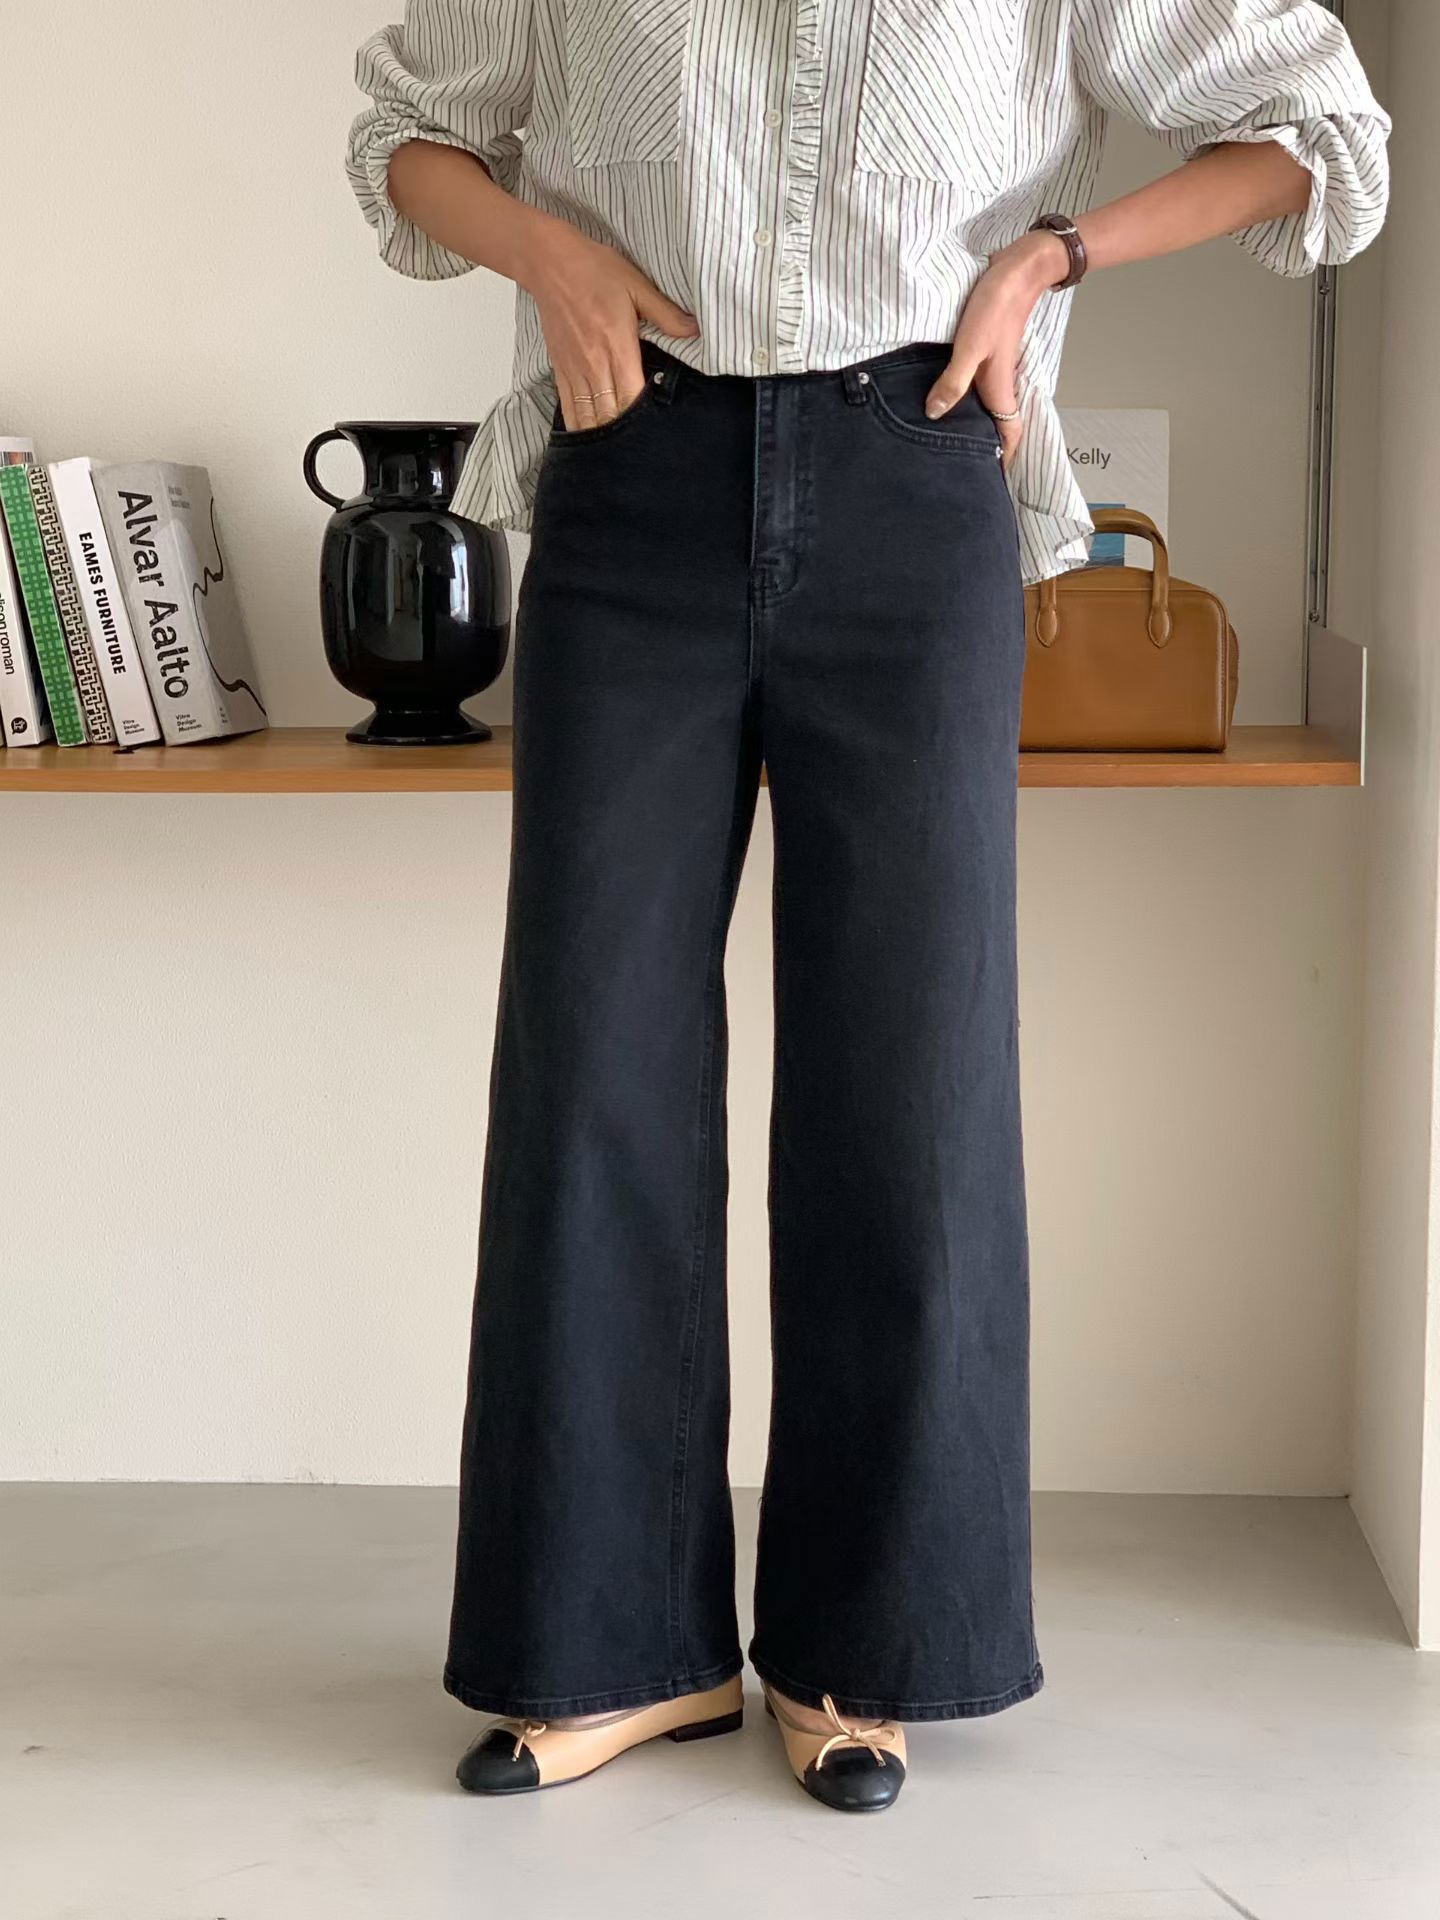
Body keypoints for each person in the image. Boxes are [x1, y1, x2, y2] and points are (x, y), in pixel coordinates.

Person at [346, 0, 1389, 1812]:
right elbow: (403, 139)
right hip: (633, 473)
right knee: (592, 1069)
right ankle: (607, 1647)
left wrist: (1053, 260)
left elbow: (1321, 136)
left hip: (914, 467)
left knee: (906, 1083)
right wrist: (550, 258)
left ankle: (865, 1648)